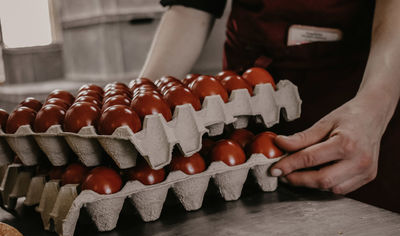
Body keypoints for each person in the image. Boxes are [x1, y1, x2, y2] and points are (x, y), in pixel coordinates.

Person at [140, 0, 400, 212]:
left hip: (359, 87)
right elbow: (192, 7)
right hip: (248, 92)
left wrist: (374, 106)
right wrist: (142, 103)